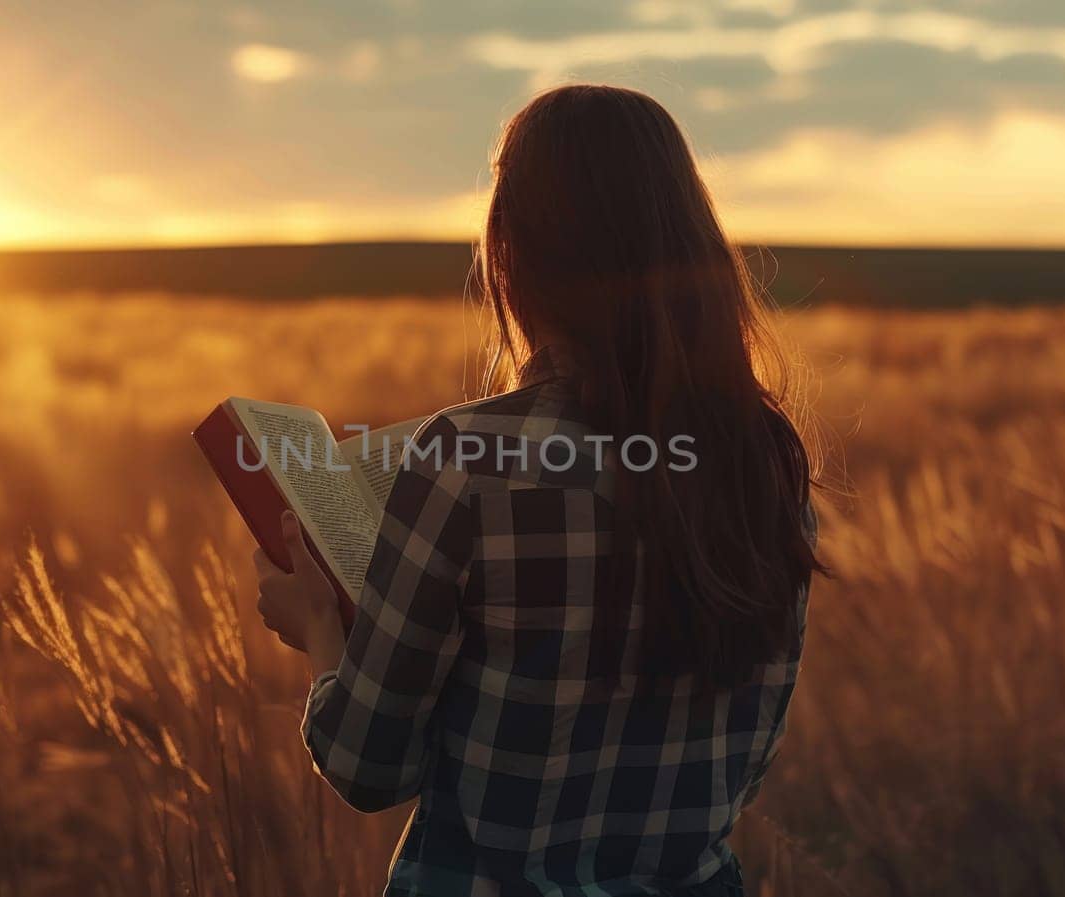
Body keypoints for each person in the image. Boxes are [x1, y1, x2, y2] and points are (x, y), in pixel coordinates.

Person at [252, 84, 824, 897]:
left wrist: (318, 622)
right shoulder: (762, 458)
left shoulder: (465, 460)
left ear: (512, 252)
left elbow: (370, 763)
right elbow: (747, 761)